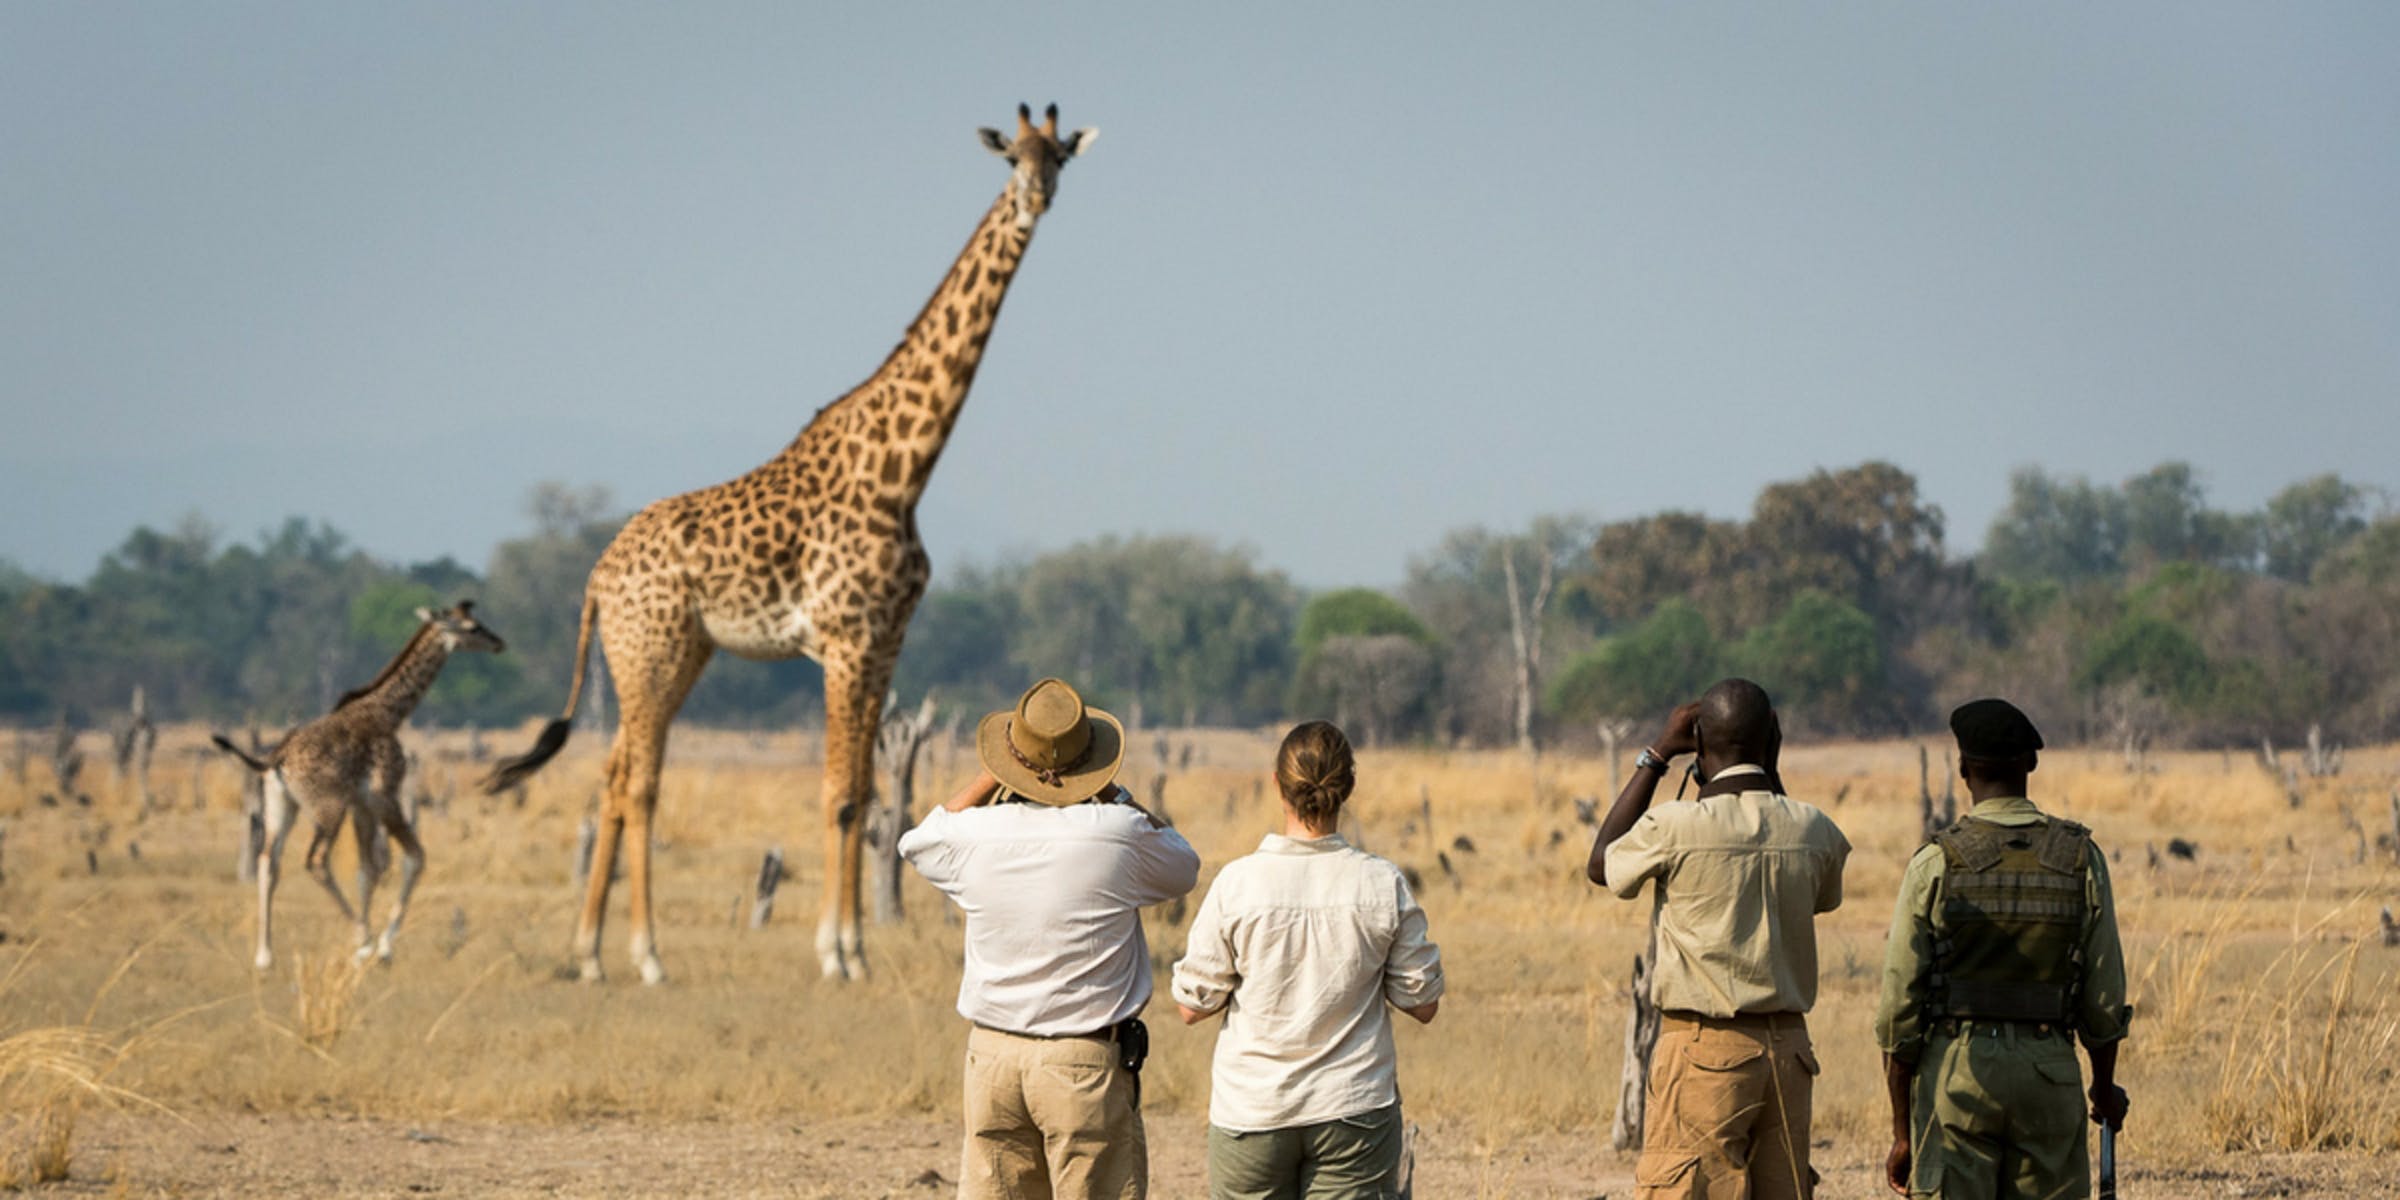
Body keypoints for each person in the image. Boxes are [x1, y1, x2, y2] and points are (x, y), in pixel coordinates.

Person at [900, 677, 1201, 1200]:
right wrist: (1115, 792)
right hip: (1082, 1062)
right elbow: (1183, 863)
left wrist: (990, 776)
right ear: (1092, 761)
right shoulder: (1117, 832)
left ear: (1009, 760)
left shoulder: (977, 837)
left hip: (992, 1058)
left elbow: (919, 841)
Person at [1585, 678, 1851, 1200]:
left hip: (1704, 1049)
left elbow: (1602, 865)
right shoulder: (1815, 830)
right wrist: (1768, 764)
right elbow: (1820, 895)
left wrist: (1659, 752)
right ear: (1772, 739)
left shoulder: (1676, 827)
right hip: (1790, 1053)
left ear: (1700, 742)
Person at [1171, 720, 1444, 1200]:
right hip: (1354, 1105)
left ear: (1277, 784)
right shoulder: (1381, 882)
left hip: (1252, 1110)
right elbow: (1423, 1004)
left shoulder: (1238, 883)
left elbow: (1192, 1007)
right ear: (1348, 787)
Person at [1873, 698, 2130, 1199]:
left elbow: (1897, 1012)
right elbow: (2103, 999)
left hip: (1956, 1074)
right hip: (2049, 1069)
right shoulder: (2080, 857)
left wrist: (1904, 1134)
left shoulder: (1936, 861)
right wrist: (2102, 1086)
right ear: (2031, 763)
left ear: (1963, 768)